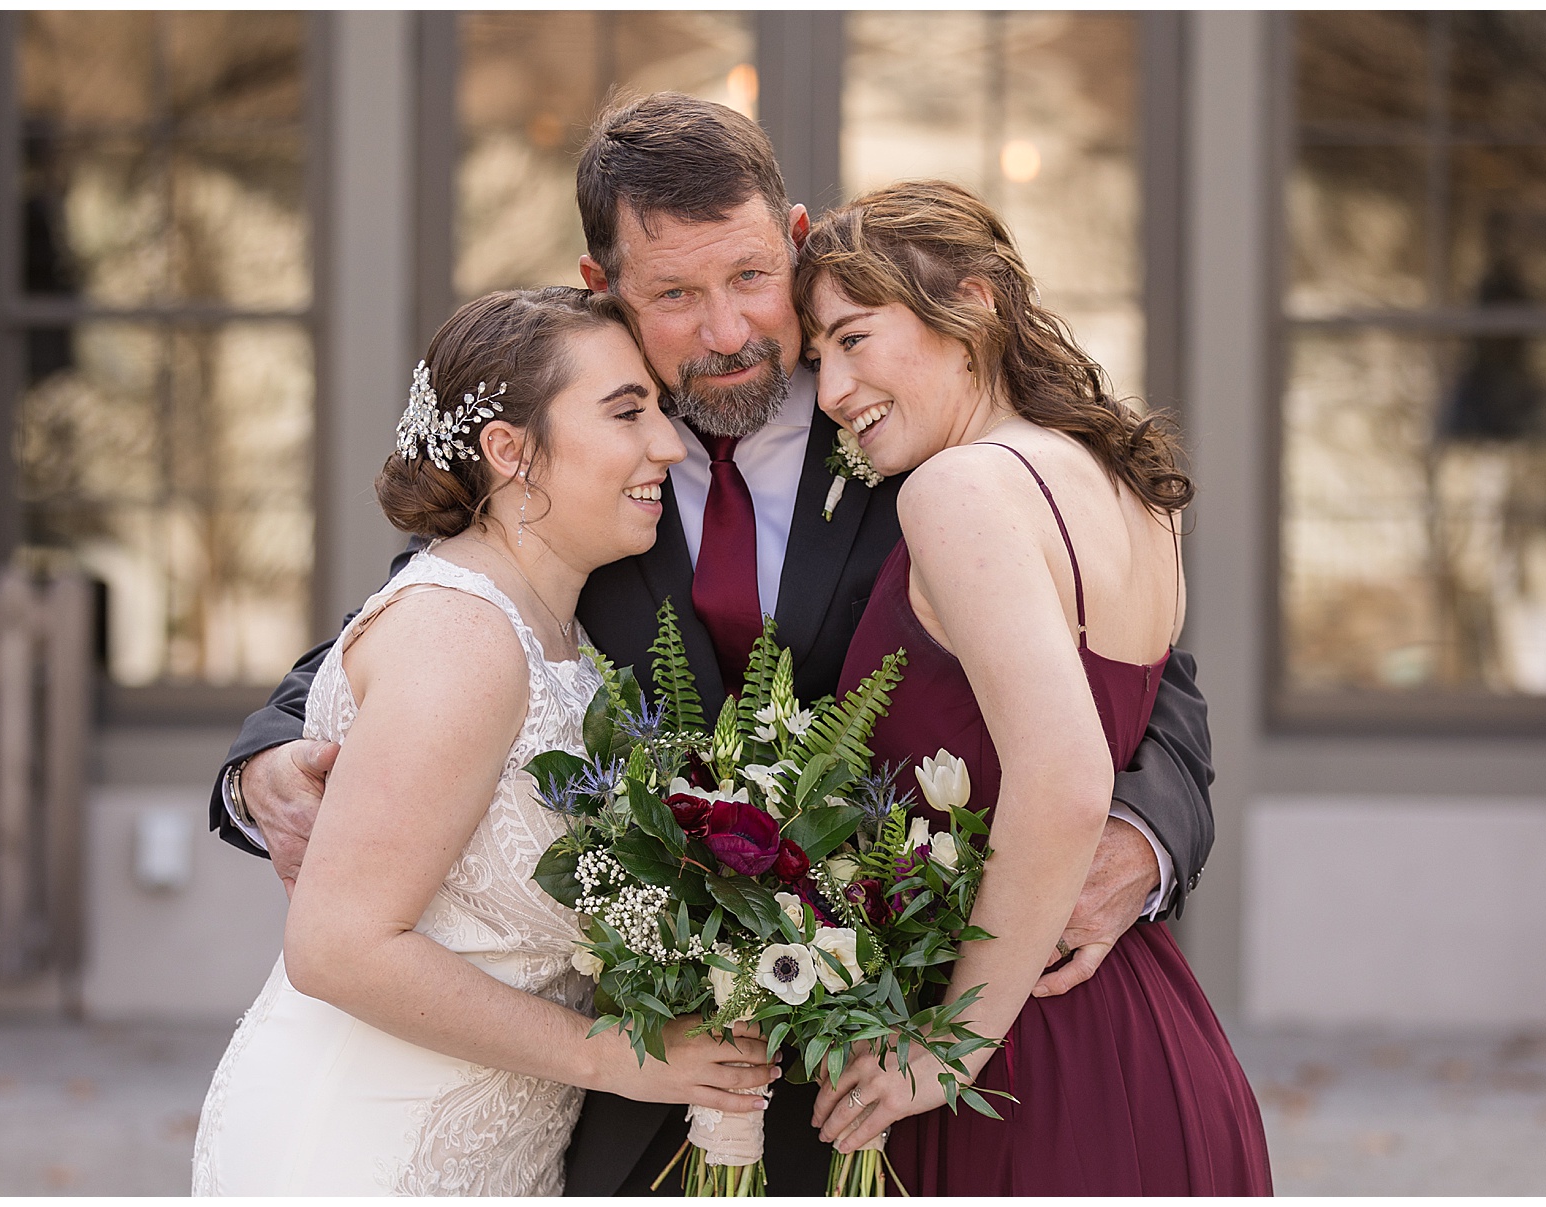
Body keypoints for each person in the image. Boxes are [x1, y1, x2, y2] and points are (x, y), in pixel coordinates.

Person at [207, 93, 1219, 1196]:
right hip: (634, 1096)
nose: (729, 331)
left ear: (791, 237)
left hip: (892, 1068)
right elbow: (439, 605)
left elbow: (1141, 675)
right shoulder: (577, 458)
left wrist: (1141, 837)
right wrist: (263, 755)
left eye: (748, 278)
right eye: (676, 297)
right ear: (606, 291)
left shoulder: (908, 422)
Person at [191, 287, 779, 1195]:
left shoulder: (567, 639)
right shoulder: (460, 635)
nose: (668, 444)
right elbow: (338, 947)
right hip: (367, 1140)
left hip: (496, 1146)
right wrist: (627, 1055)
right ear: (510, 452)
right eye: (628, 413)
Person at [799, 181, 1271, 1194]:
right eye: (818, 356)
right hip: (1148, 1031)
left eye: (853, 338)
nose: (832, 389)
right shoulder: (1127, 485)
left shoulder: (960, 490)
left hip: (1020, 1073)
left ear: (970, 304)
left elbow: (1063, 777)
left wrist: (949, 1049)